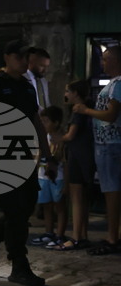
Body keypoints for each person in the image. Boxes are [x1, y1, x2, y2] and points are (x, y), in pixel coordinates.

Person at [0, 39, 57, 286]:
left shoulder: (27, 87)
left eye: (26, 57)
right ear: (7, 57)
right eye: (19, 57)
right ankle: (19, 264)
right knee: (15, 212)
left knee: (25, 207)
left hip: (24, 156)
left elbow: (36, 122)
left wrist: (48, 156)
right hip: (1, 157)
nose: (23, 61)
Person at [72, 45, 121, 255]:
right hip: (107, 145)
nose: (102, 63)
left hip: (111, 144)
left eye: (106, 59)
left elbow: (110, 115)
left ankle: (113, 237)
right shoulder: (113, 84)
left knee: (112, 191)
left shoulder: (118, 84)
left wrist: (86, 110)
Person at [57, 79, 96, 251]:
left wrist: (57, 137)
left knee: (76, 198)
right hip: (87, 155)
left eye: (68, 91)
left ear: (75, 93)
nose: (66, 94)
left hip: (78, 156)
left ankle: (76, 237)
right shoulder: (89, 107)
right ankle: (83, 235)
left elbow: (71, 135)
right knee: (83, 198)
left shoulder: (78, 110)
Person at [32, 106, 67, 248]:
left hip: (58, 176)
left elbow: (65, 161)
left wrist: (67, 182)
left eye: (46, 121)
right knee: (46, 205)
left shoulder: (62, 138)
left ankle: (60, 234)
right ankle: (49, 232)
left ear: (56, 122)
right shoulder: (43, 137)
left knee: (59, 206)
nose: (43, 124)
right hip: (43, 175)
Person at [24, 47, 52, 111]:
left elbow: (46, 102)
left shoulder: (43, 81)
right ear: (31, 62)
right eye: (42, 66)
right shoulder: (22, 79)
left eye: (47, 66)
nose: (45, 70)